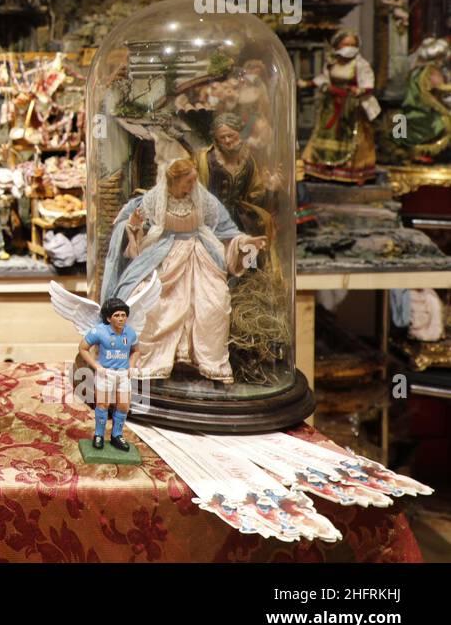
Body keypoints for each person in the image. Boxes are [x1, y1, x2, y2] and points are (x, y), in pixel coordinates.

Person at [101, 158, 266, 385]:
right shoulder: (154, 199)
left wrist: (247, 242)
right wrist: (134, 225)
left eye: (195, 180)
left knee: (215, 303)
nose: (193, 185)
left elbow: (228, 231)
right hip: (163, 255)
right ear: (174, 181)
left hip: (200, 255)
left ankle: (208, 363)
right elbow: (128, 226)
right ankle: (153, 361)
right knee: (152, 302)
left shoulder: (203, 199)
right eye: (189, 181)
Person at [302, 30, 381, 184]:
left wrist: (359, 91)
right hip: (331, 105)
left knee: (352, 136)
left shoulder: (360, 64)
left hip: (350, 107)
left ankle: (353, 171)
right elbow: (324, 78)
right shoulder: (332, 62)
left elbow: (368, 84)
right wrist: (308, 83)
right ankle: (321, 168)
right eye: (346, 44)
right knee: (324, 134)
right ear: (337, 45)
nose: (349, 48)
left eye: (353, 45)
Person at [78, 297, 139, 452]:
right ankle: (99, 434)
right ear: (108, 318)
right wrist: (96, 365)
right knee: (103, 404)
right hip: (106, 374)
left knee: (124, 406)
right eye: (117, 315)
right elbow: (83, 348)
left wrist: (131, 367)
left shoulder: (130, 333)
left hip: (123, 375)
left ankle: (117, 435)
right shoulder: (99, 331)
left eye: (123, 315)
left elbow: (136, 351)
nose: (121, 318)